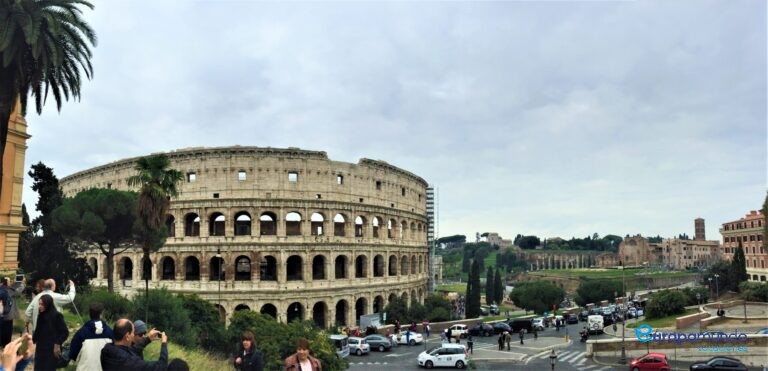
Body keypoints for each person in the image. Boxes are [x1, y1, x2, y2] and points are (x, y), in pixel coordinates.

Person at [100, 319, 168, 371]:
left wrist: (148, 339)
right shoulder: (131, 362)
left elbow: (132, 350)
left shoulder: (106, 351)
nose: (133, 335)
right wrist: (164, 343)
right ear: (127, 336)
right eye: (133, 332)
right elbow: (161, 366)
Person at [69, 302, 114, 371]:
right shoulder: (110, 333)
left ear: (90, 314)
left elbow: (73, 354)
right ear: (101, 314)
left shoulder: (81, 333)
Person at [32, 294, 69, 371]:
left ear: (48, 304)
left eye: (42, 304)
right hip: (40, 348)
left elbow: (65, 332)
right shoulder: (41, 315)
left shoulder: (57, 316)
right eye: (39, 304)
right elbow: (38, 330)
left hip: (51, 349)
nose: (39, 306)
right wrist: (32, 339)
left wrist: (58, 343)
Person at [0, 277, 18, 347]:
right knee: (6, 331)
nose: (10, 282)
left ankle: (3, 343)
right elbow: (17, 292)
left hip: (2, 314)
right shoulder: (5, 290)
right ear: (6, 282)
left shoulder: (2, 289)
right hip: (6, 314)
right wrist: (20, 284)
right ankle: (6, 344)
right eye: (9, 281)